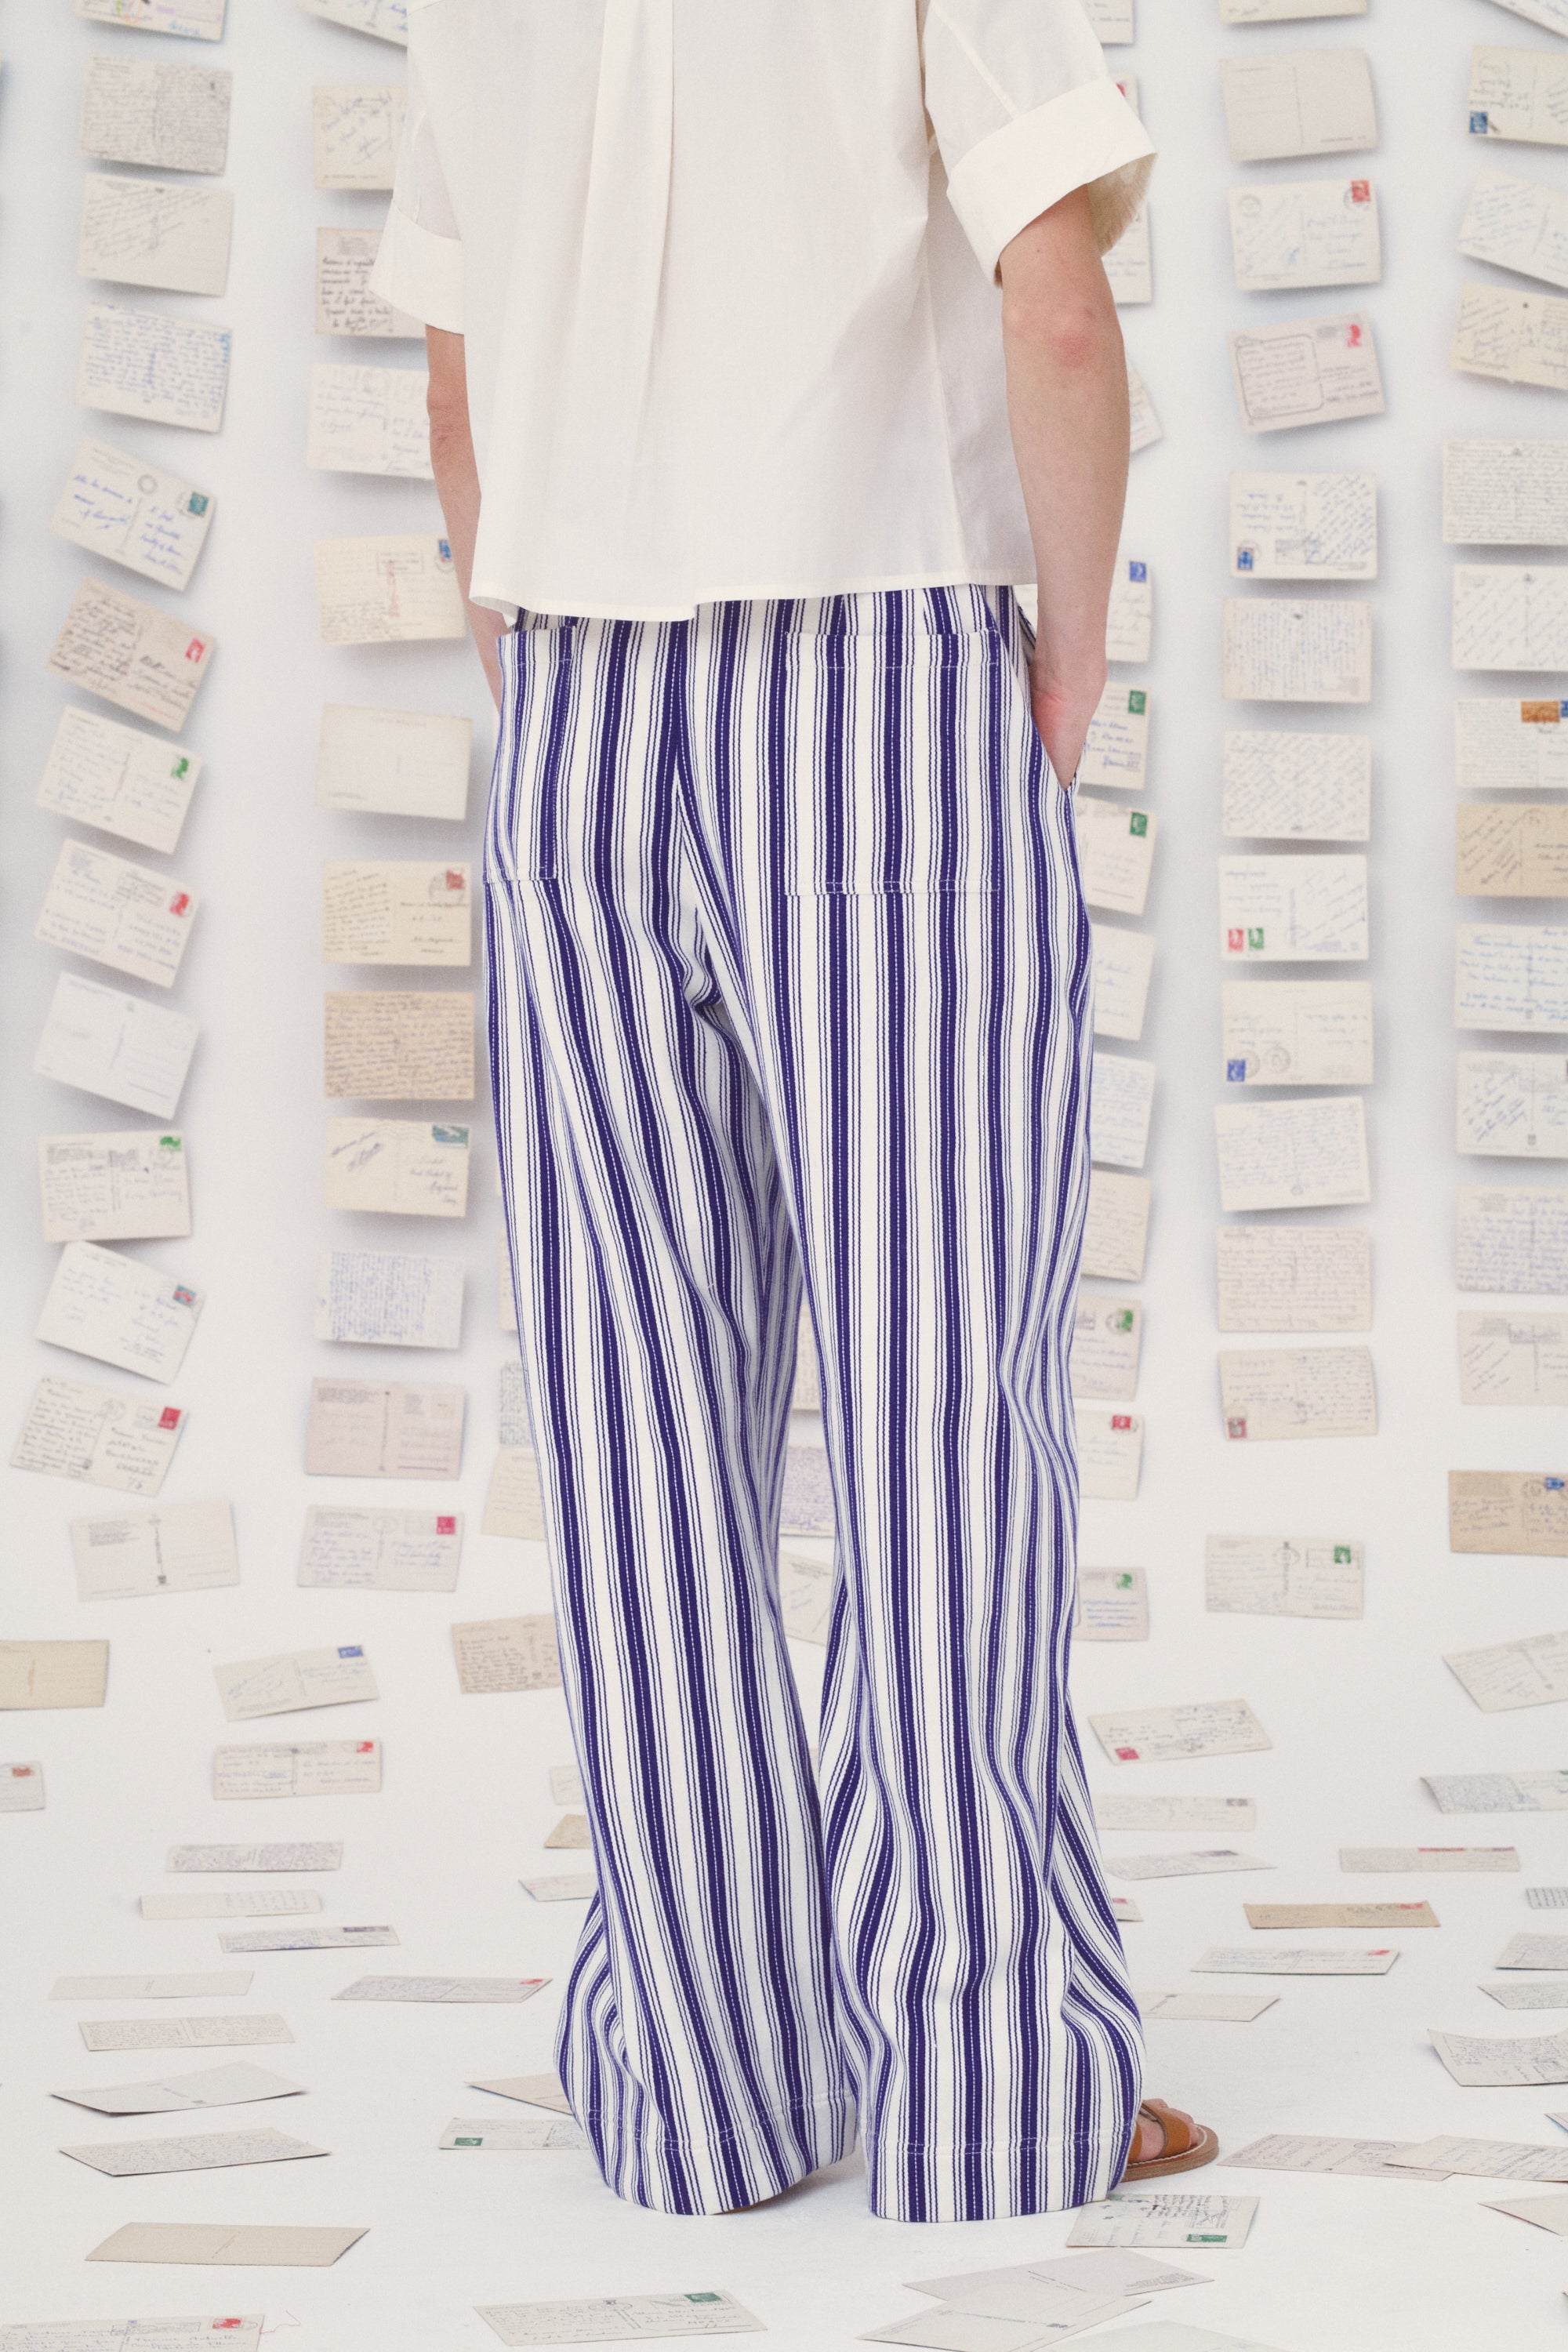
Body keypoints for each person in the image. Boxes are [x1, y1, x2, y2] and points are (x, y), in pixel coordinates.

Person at [372, 0, 1216, 2223]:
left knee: (634, 1420)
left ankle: (703, 2085)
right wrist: (1069, 653)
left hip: (573, 704)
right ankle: (985, 2092)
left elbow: (455, 392)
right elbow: (1056, 301)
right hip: (884, 678)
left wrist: (550, 688)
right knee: (946, 1411)